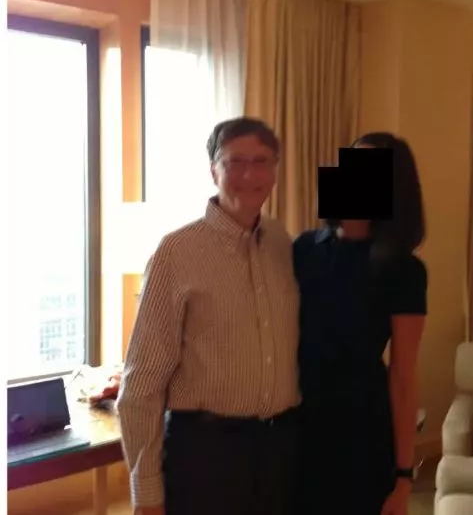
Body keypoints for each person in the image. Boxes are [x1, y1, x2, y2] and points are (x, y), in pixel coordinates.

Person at [116, 117, 301, 515]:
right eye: (235, 162)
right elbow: (142, 382)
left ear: (275, 170)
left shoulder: (282, 244)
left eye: (261, 161)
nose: (249, 174)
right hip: (206, 457)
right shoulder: (176, 252)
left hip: (278, 451)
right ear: (213, 170)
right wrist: (146, 494)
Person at [294, 132, 428, 515]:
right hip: (297, 425)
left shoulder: (403, 269)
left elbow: (403, 376)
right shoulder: (303, 249)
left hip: (361, 429)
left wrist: (404, 476)